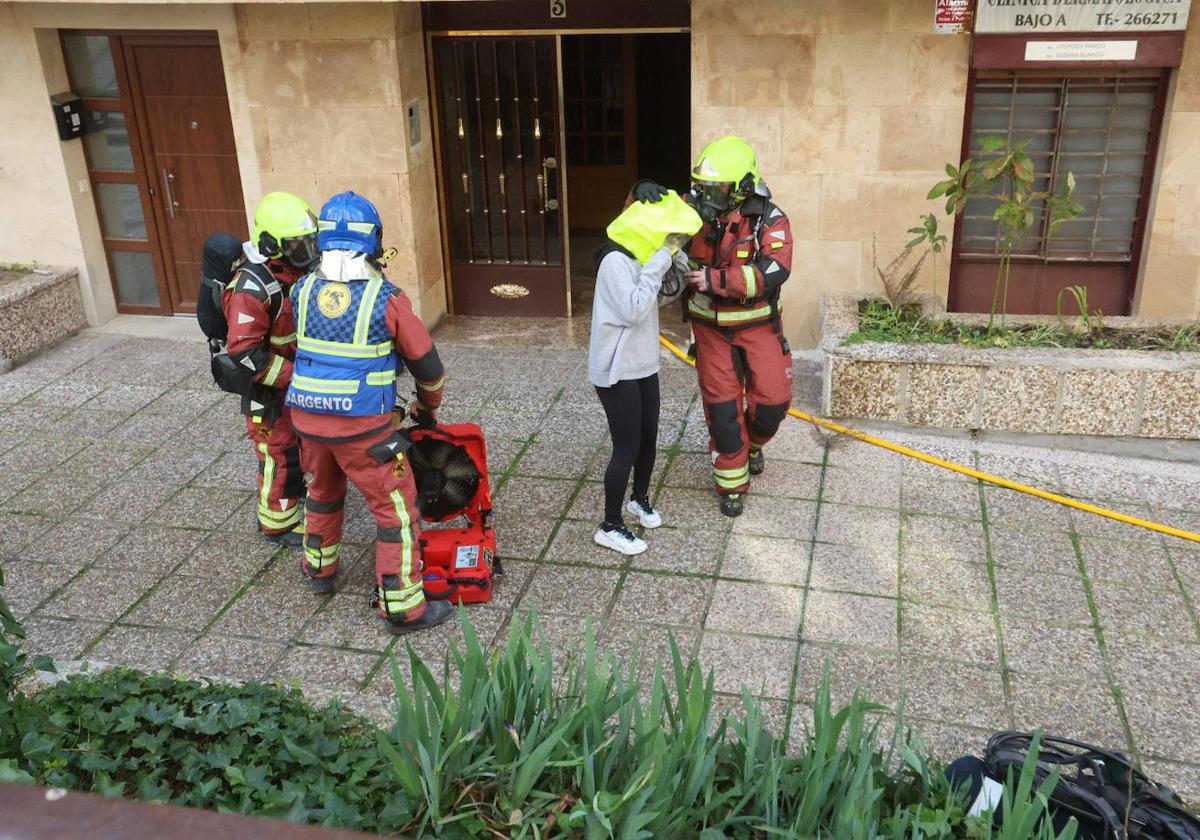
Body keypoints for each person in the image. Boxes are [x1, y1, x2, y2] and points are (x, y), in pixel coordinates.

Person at [285, 191, 452, 634]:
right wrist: (427, 408)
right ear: (373, 241)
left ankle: (318, 570)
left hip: (307, 421)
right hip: (365, 429)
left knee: (321, 492)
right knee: (395, 512)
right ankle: (403, 607)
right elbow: (428, 366)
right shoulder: (386, 298)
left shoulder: (301, 290)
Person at [631, 136, 794, 518]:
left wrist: (716, 281)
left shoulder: (770, 219)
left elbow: (775, 270)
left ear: (741, 188)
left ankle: (752, 445)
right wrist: (640, 192)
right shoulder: (691, 208)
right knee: (722, 411)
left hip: (759, 327)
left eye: (717, 189)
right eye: (703, 187)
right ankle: (731, 483)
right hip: (709, 330)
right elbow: (639, 223)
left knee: (773, 403)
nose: (707, 196)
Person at [589, 192, 702, 555]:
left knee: (649, 437)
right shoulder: (614, 262)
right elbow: (635, 310)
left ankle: (638, 499)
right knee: (627, 447)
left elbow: (665, 292)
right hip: (616, 370)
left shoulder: (642, 258)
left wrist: (676, 251)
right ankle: (610, 525)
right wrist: (660, 257)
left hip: (643, 364)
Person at [222, 191, 319, 547]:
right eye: (297, 245)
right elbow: (245, 352)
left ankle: (294, 499)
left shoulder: (298, 274)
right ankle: (276, 522)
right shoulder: (251, 289)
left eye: (310, 242)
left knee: (302, 448)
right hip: (267, 389)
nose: (307, 252)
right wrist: (296, 378)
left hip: (297, 382)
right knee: (278, 454)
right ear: (271, 245)